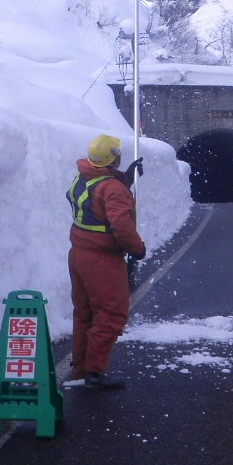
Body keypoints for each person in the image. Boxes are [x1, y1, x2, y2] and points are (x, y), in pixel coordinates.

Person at [66, 134, 146, 390]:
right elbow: (121, 225)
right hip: (102, 260)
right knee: (110, 314)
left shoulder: (84, 176)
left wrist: (125, 180)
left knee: (85, 313)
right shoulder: (112, 188)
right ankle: (95, 374)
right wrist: (138, 249)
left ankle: (81, 368)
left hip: (79, 253)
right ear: (114, 158)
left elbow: (98, 201)